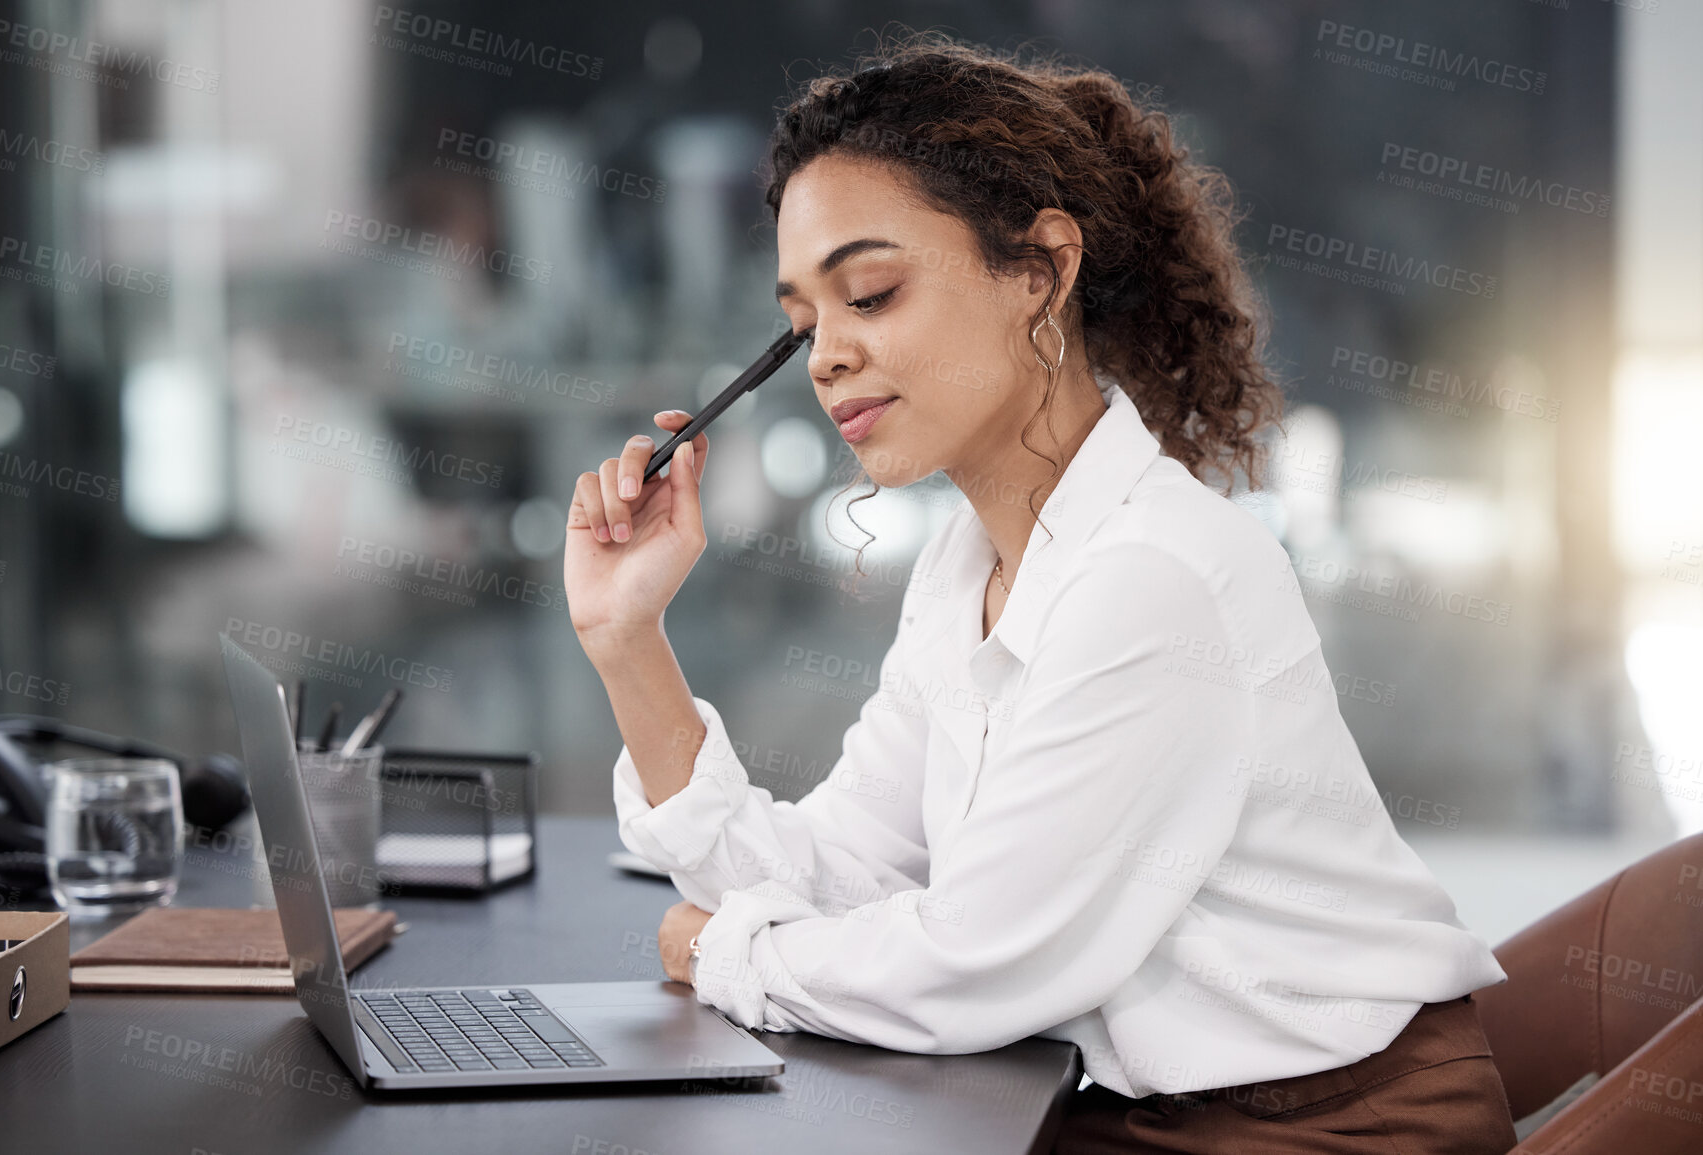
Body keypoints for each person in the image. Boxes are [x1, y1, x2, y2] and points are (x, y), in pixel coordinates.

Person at [563, 30, 1519, 1154]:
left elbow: (974, 964)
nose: (825, 357)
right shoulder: (969, 568)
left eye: (870, 292)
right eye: (803, 325)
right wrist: (630, 642)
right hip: (1120, 1106)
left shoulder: (1149, 583)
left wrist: (723, 954)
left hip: (1326, 1132)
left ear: (1045, 270)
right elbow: (836, 870)